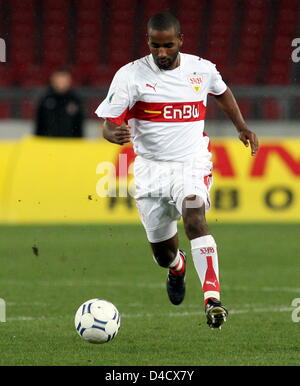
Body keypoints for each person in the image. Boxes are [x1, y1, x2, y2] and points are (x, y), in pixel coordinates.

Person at [95, 12, 259, 329]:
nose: (161, 53)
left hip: (191, 162)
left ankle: (212, 299)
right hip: (150, 170)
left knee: (195, 218)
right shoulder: (130, 76)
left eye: (168, 45)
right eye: (155, 46)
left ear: (180, 40)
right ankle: (177, 265)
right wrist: (112, 134)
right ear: (148, 42)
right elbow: (107, 123)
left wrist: (242, 127)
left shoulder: (202, 69)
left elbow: (222, 92)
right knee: (162, 254)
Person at [34, 67, 84, 137]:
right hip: (48, 143)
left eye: (63, 80)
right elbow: (39, 124)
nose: (61, 83)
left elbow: (79, 125)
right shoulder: (45, 99)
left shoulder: (75, 100)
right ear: (52, 80)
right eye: (59, 80)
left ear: (69, 81)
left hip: (69, 143)